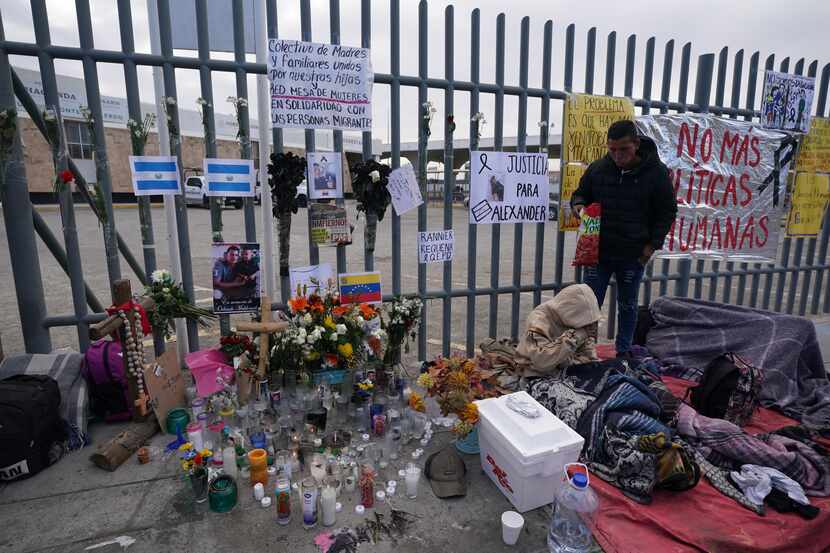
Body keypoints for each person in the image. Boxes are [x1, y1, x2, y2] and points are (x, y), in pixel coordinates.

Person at [570, 120, 677, 358]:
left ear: (636, 144)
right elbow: (580, 194)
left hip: (633, 254)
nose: (618, 155)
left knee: (627, 306)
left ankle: (624, 351)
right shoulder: (598, 169)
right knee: (589, 305)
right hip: (598, 253)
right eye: (612, 150)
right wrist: (578, 206)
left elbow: (667, 211)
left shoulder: (656, 173)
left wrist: (650, 247)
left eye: (623, 149)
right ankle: (584, 352)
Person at [515, 283, 601, 378]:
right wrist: (575, 337)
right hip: (539, 374)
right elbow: (542, 361)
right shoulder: (539, 320)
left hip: (568, 368)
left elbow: (587, 352)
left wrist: (593, 365)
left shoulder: (576, 321)